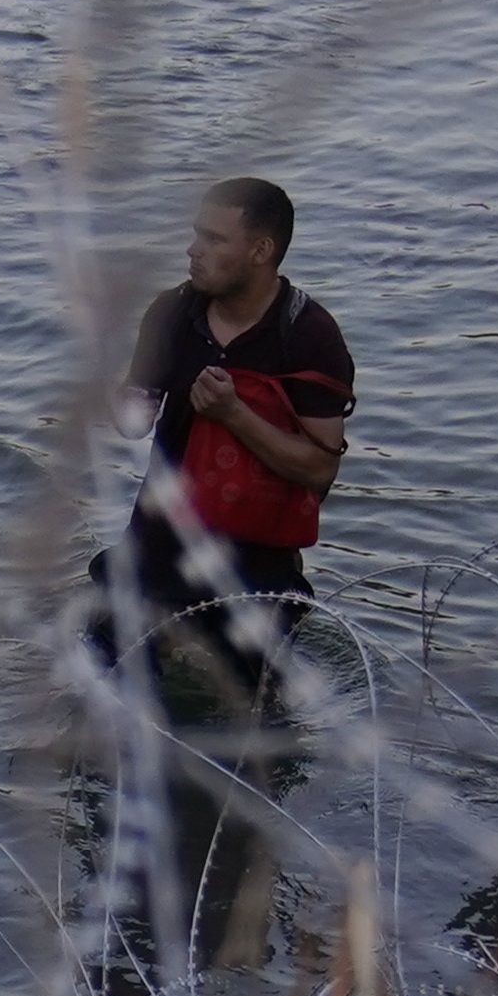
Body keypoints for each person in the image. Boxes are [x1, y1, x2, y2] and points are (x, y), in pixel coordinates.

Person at [104, 179, 356, 698]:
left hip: (256, 555)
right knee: (106, 678)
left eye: (215, 239)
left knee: (254, 714)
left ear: (261, 251)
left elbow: (319, 469)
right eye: (197, 234)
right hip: (160, 539)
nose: (193, 250)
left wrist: (233, 413)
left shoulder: (308, 335)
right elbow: (133, 420)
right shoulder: (172, 313)